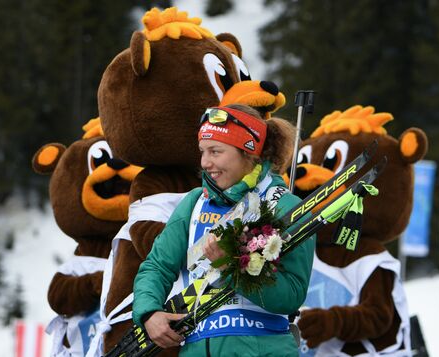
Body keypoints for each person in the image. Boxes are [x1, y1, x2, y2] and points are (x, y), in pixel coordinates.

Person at [132, 104, 315, 356]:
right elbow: (157, 266)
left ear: (248, 151)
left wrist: (231, 267)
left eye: (216, 151)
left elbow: (292, 294)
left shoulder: (283, 204)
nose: (206, 162)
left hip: (263, 347)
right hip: (197, 347)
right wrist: (149, 312)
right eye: (202, 152)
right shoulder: (194, 203)